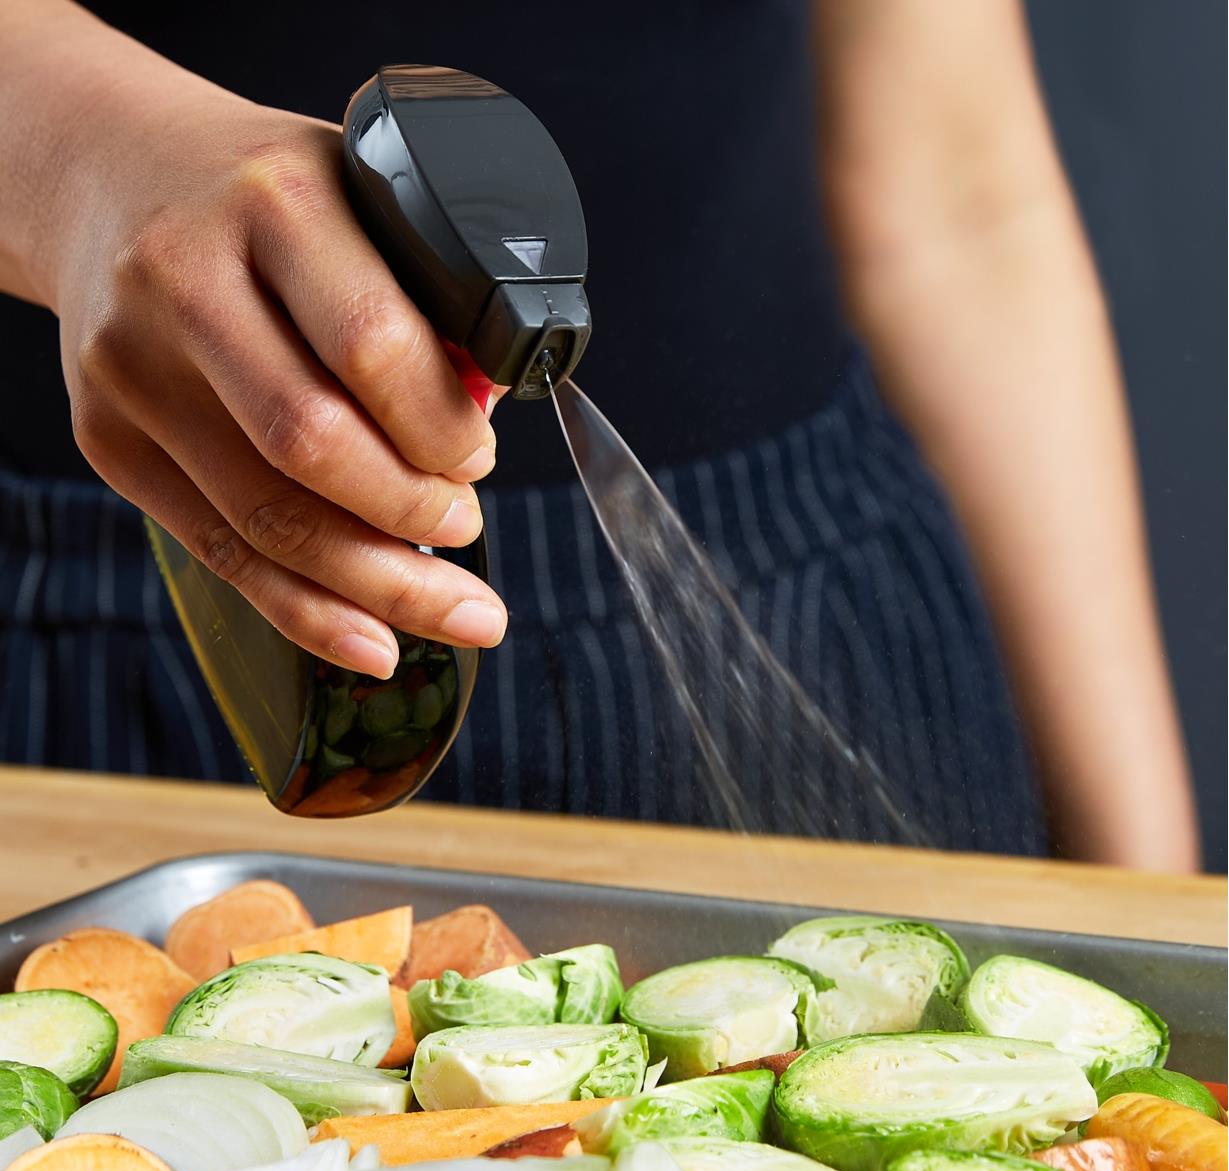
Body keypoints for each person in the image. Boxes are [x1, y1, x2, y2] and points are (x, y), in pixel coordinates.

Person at [0, 0, 1198, 867]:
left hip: (802, 600)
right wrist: (78, 157)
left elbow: (959, 201)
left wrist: (1152, 890)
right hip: (147, 625)